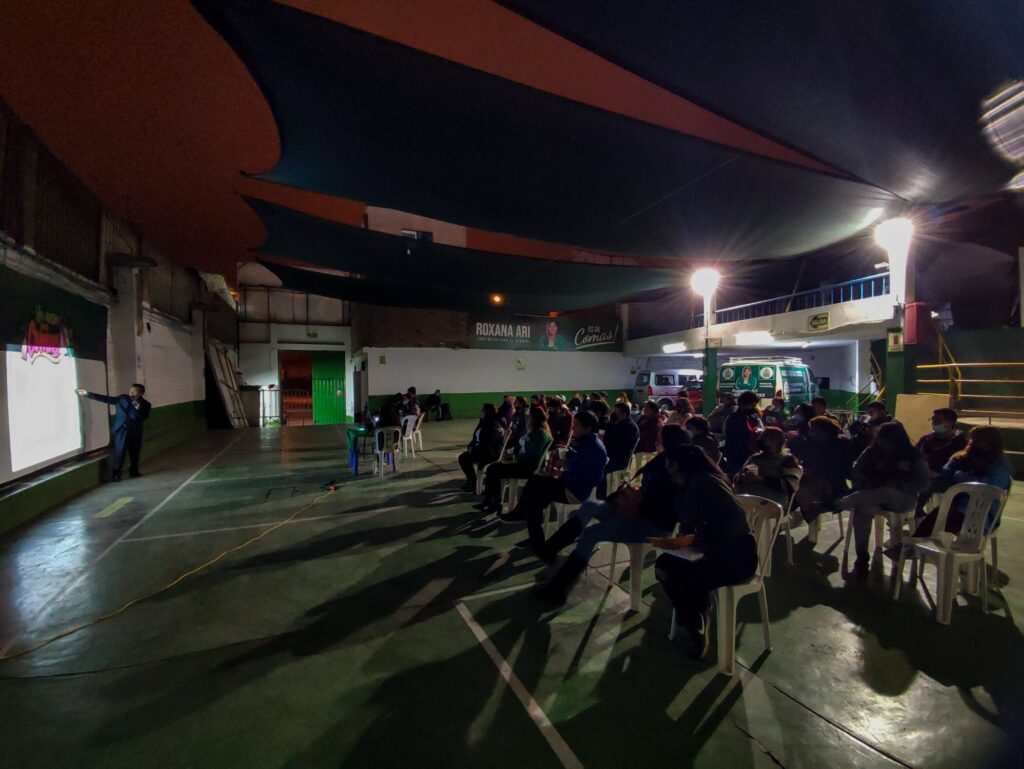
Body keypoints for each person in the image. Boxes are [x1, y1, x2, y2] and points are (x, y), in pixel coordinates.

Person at [533, 425, 689, 604]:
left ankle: (560, 587)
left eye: (659, 440)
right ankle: (550, 549)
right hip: (635, 511)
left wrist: (637, 498)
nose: (655, 442)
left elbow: (666, 505)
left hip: (652, 524)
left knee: (591, 533)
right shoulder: (662, 460)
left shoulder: (675, 470)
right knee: (589, 506)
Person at [654, 445, 758, 658]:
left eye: (667, 463)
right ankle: (695, 616)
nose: (665, 467)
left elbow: (733, 525)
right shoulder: (684, 487)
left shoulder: (708, 484)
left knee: (690, 577)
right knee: (663, 566)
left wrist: (700, 542)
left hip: (737, 555)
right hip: (706, 551)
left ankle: (696, 623)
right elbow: (689, 523)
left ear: (678, 466)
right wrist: (683, 540)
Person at [500, 410, 607, 555]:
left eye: (576, 425)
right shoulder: (584, 442)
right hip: (568, 483)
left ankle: (527, 525)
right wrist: (566, 461)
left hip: (574, 491)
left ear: (587, 428)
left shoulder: (594, 449)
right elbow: (576, 463)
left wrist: (562, 473)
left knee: (535, 491)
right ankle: (533, 534)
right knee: (535, 488)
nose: (573, 428)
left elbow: (591, 478)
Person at [838, 421, 930, 579]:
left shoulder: (912, 456)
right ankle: (862, 556)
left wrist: (900, 485)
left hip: (903, 498)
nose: (883, 444)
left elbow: (924, 484)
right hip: (873, 497)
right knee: (862, 510)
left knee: (886, 491)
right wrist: (865, 482)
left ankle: (839, 503)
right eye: (880, 440)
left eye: (886, 441)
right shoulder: (871, 452)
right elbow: (856, 471)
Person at [913, 426, 1012, 538]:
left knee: (941, 519)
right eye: (971, 439)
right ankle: (915, 540)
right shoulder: (961, 459)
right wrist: (938, 475)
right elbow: (944, 481)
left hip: (981, 514)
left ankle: (916, 544)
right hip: (956, 508)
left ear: (990, 444)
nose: (971, 443)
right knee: (937, 516)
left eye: (977, 440)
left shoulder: (999, 465)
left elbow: (989, 486)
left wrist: (959, 476)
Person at [476, 406, 553, 515]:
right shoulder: (533, 432)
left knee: (493, 470)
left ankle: (494, 502)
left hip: (527, 467)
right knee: (492, 469)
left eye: (529, 417)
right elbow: (522, 447)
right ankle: (490, 501)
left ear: (535, 419)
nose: (527, 420)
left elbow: (530, 455)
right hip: (521, 463)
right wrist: (510, 454)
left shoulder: (541, 435)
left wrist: (513, 457)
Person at [77, 384, 151, 481]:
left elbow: (142, 418)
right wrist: (88, 394)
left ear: (141, 393)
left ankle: (134, 471)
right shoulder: (122, 398)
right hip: (121, 430)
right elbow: (106, 399)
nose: (131, 393)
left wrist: (138, 409)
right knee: (120, 452)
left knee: (135, 452)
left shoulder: (146, 404)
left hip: (135, 431)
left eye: (134, 391)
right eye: (130, 390)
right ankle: (116, 474)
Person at [733, 427, 803, 508]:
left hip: (770, 506)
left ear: (775, 441)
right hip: (745, 502)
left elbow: (790, 486)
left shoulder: (787, 460)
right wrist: (740, 477)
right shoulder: (754, 458)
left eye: (764, 437)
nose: (759, 439)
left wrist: (760, 479)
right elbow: (739, 476)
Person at [457, 404, 505, 492]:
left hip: (489, 453)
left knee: (465, 458)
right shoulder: (482, 422)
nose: (481, 412)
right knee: (463, 457)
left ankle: (474, 483)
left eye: (483, 410)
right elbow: (475, 437)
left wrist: (475, 449)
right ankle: (472, 481)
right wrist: (471, 445)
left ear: (488, 412)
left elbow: (490, 442)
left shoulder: (494, 424)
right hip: (480, 450)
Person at [915, 408, 968, 476]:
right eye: (933, 419)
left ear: (951, 422)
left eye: (939, 420)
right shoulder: (925, 439)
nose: (934, 423)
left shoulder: (960, 443)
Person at [723, 390, 763, 473]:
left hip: (745, 453)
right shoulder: (734, 419)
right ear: (742, 404)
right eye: (752, 405)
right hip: (737, 454)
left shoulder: (751, 417)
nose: (753, 408)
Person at [603, 402, 640, 473]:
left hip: (620, 460)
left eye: (616, 413)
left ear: (624, 414)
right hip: (612, 456)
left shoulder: (630, 428)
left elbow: (616, 445)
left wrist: (610, 425)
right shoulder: (619, 424)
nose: (613, 415)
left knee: (597, 467)